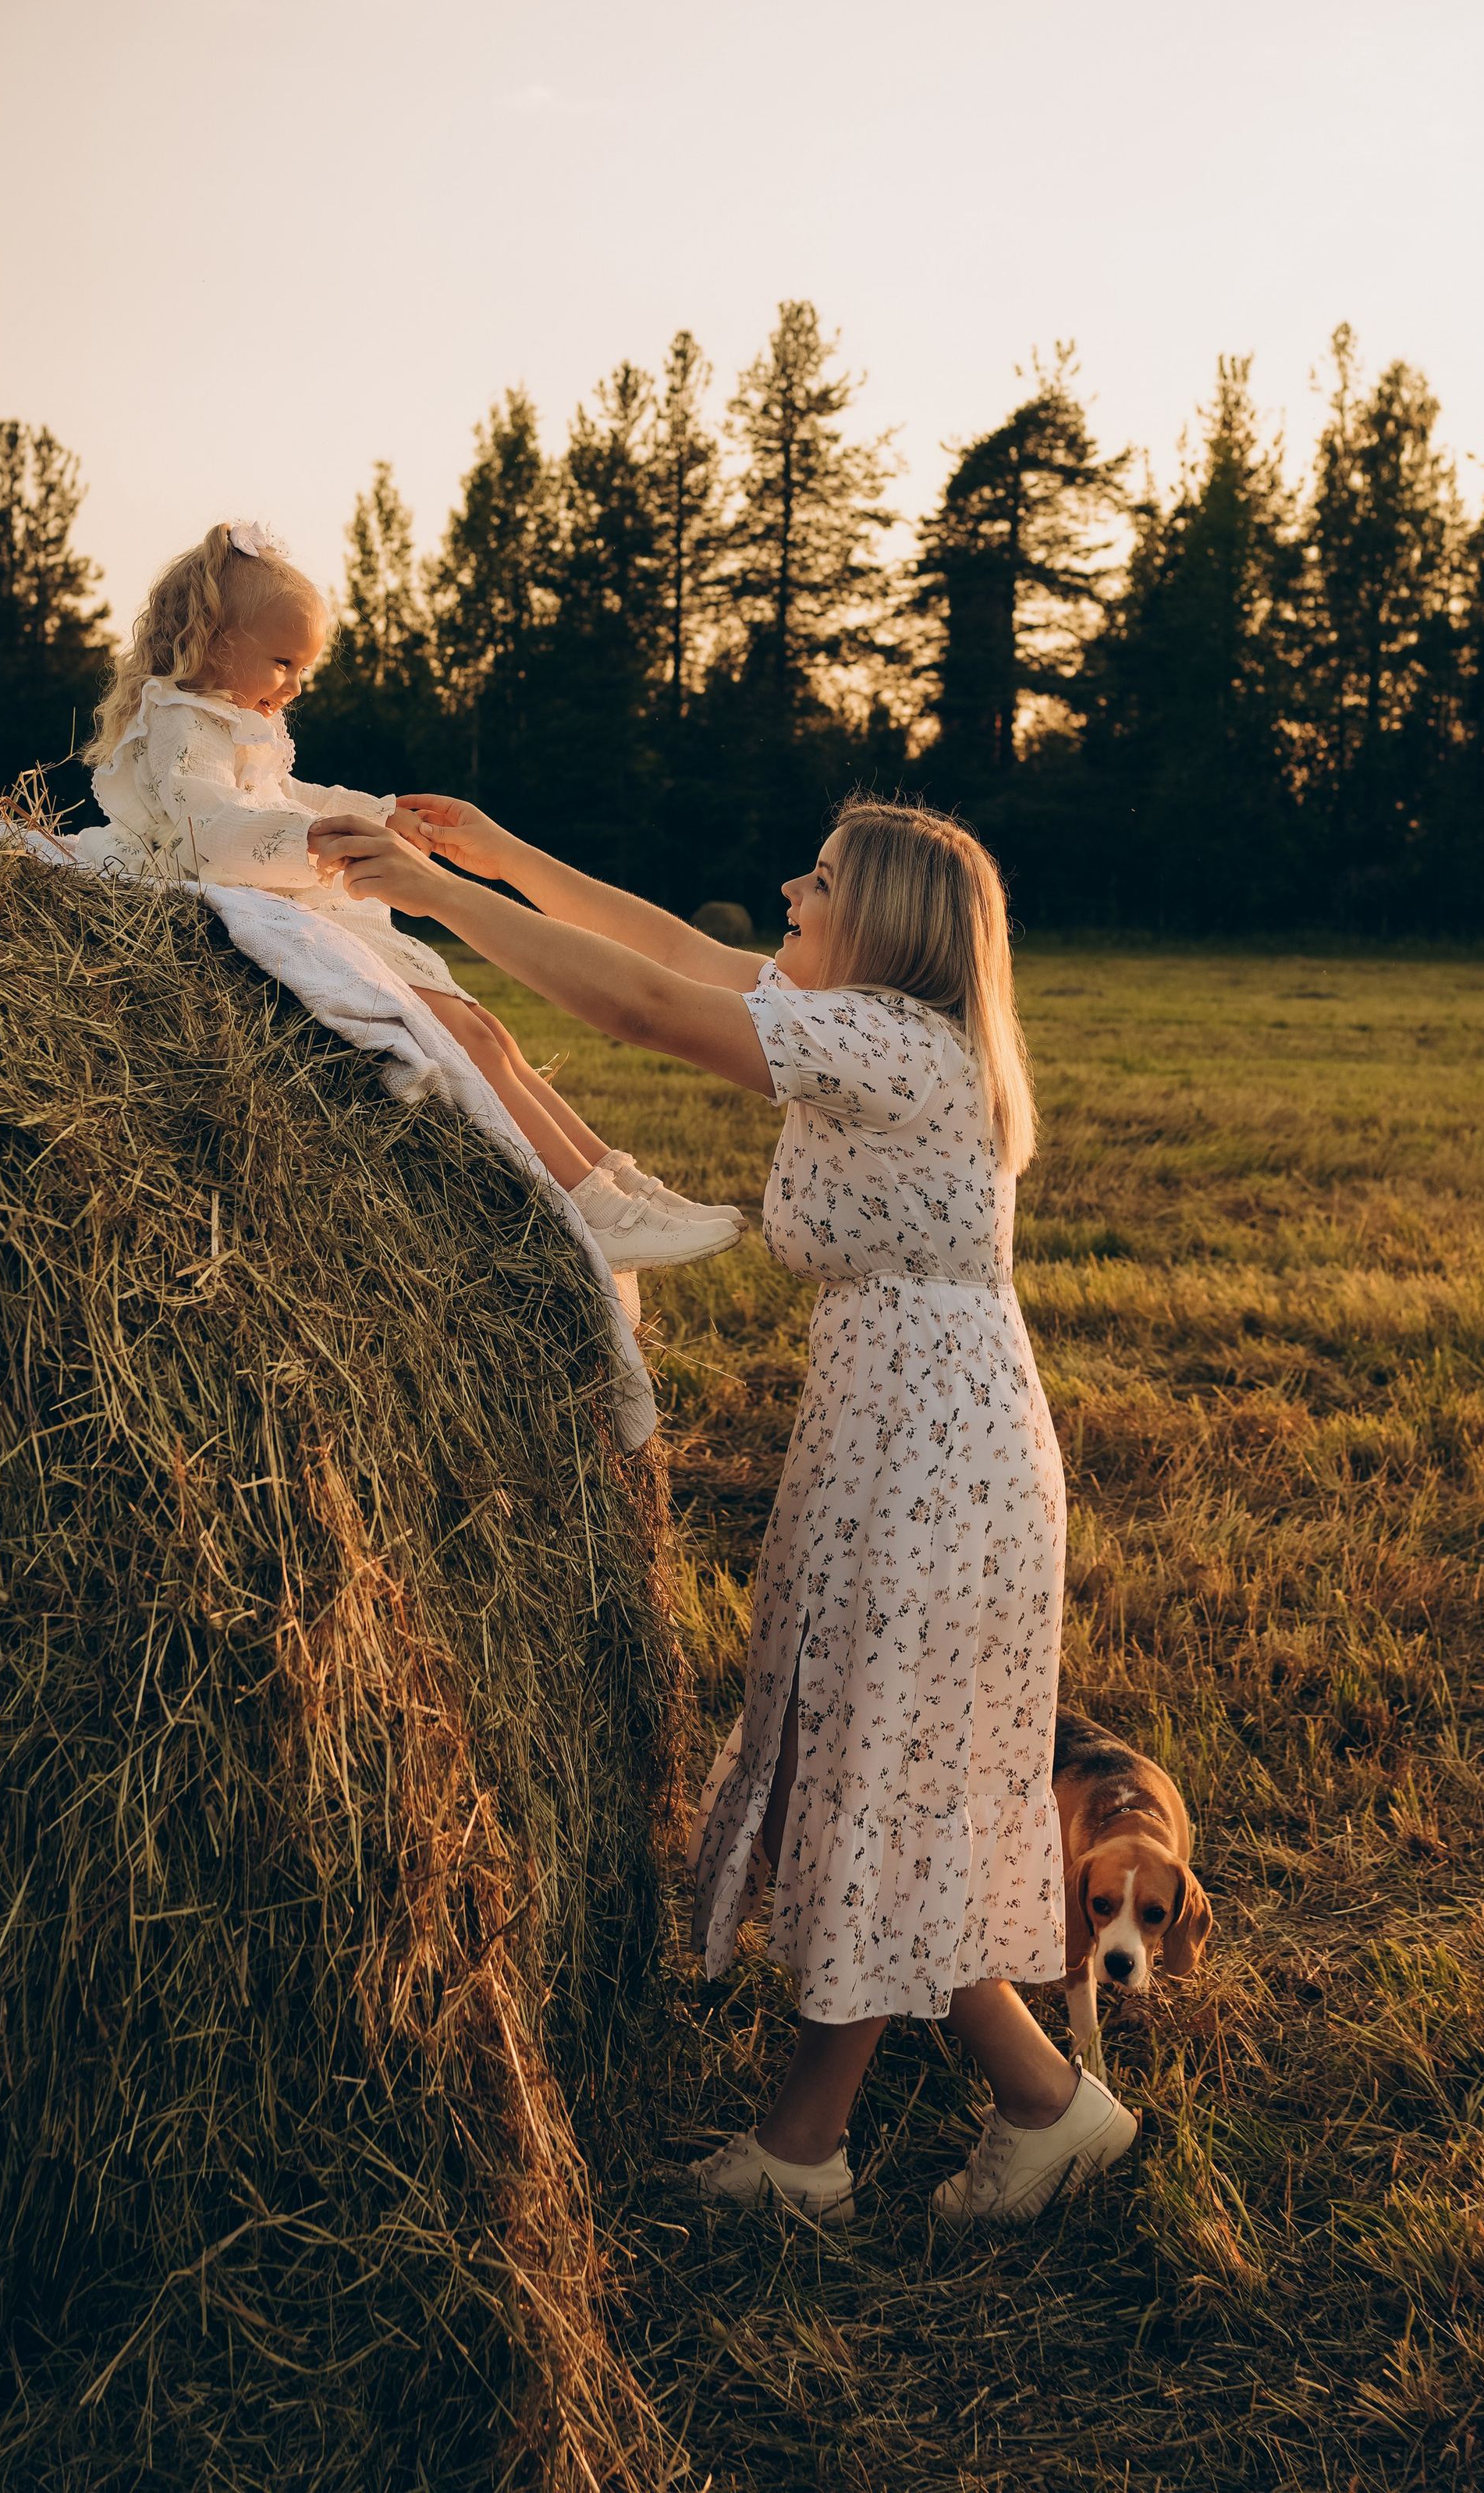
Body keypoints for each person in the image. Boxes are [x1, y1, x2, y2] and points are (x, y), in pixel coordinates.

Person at [309, 787, 1139, 2226]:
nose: (789, 894)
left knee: (868, 1772)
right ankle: (1040, 2105)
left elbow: (640, 1008)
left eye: (817, 882)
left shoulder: (888, 1045)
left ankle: (815, 2146)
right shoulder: (879, 1031)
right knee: (864, 1769)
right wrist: (499, 855)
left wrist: (438, 902)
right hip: (912, 1432)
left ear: (881, 924)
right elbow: (660, 953)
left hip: (935, 1461)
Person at [74, 520, 738, 1271]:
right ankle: (587, 1202)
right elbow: (209, 826)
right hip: (246, 902)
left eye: (305, 667)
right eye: (284, 662)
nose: (295, 686)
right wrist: (314, 843)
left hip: (299, 900)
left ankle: (619, 1185)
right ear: (212, 641)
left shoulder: (243, 718)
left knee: (489, 1032)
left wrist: (381, 814)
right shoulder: (181, 720)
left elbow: (292, 791)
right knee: (466, 1035)